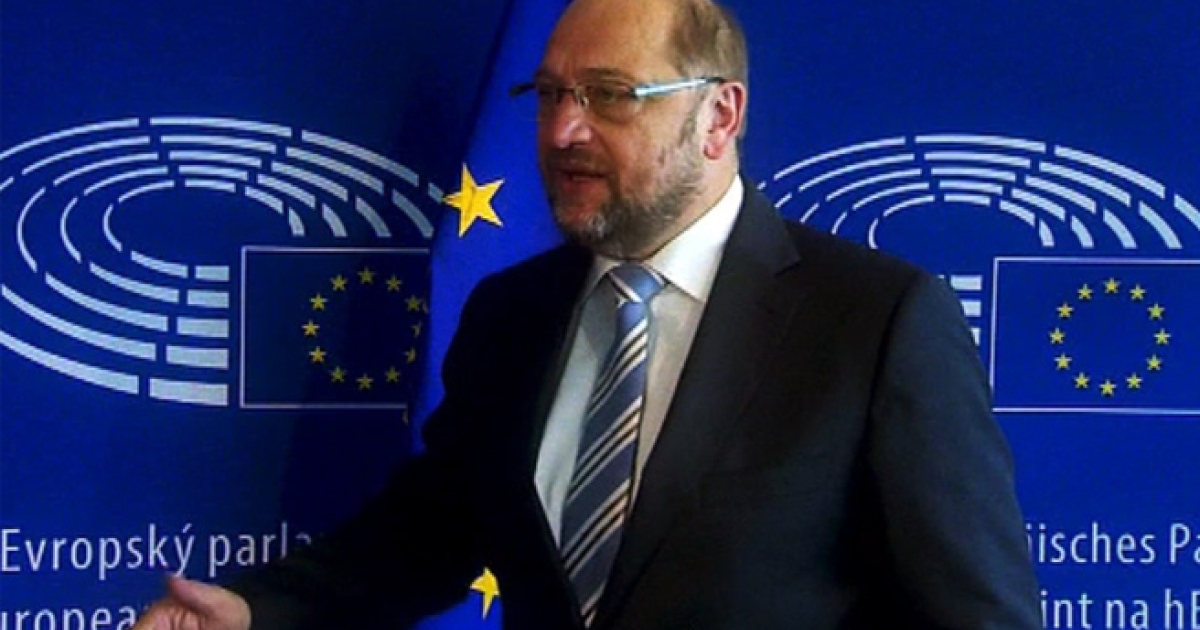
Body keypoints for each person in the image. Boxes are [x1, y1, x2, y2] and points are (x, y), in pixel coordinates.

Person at [133, 0, 1042, 628]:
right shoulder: (512, 313)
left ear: (718, 117)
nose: (564, 130)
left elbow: (977, 614)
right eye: (551, 95)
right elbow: (430, 532)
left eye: (610, 95)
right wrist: (254, 610)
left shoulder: (874, 320)